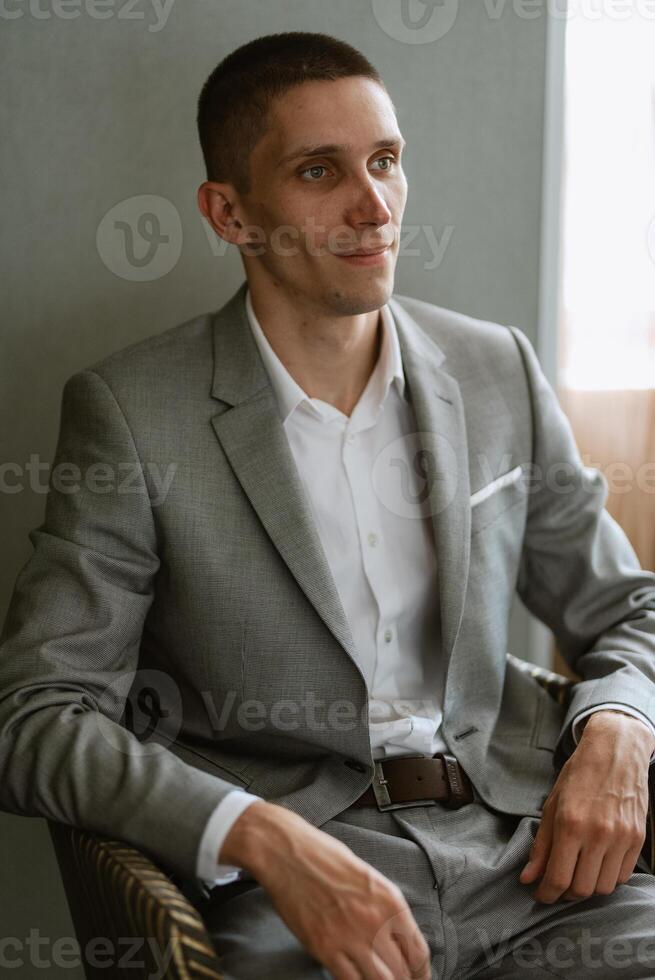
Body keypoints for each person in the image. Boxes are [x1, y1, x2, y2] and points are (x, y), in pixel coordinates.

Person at [2, 30, 655, 980]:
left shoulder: (494, 368)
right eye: (320, 171)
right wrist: (256, 837)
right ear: (230, 212)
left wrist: (619, 730)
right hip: (296, 877)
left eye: (386, 161)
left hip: (530, 859)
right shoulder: (133, 415)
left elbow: (629, 609)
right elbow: (37, 714)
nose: (374, 205)